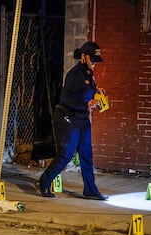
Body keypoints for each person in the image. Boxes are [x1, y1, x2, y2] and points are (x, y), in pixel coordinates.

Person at [35, 41, 108, 200]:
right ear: (83, 57)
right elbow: (67, 99)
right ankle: (44, 182)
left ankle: (90, 190)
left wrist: (97, 91)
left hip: (82, 119)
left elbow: (86, 89)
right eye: (92, 59)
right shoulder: (74, 75)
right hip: (67, 118)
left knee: (86, 154)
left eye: (96, 60)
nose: (95, 63)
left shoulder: (89, 73)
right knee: (66, 154)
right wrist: (86, 103)